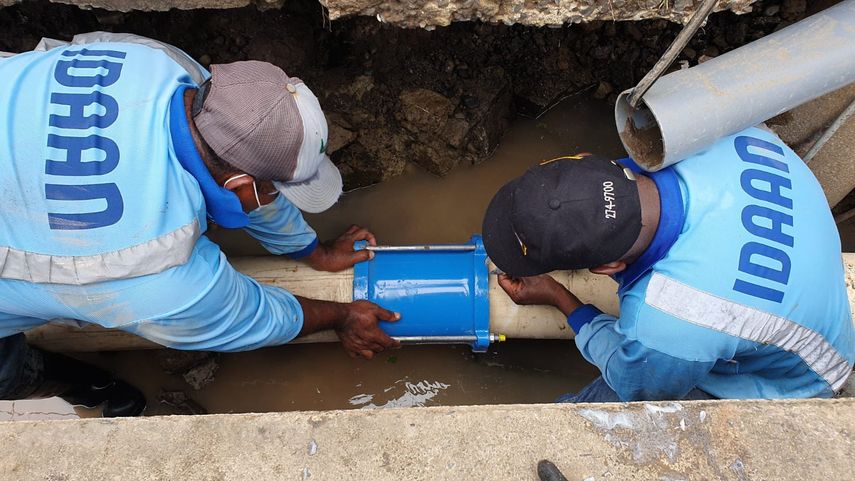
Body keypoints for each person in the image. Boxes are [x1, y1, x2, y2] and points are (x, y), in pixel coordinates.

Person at [0, 32, 400, 416]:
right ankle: (95, 389)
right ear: (239, 185)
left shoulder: (160, 64)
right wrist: (342, 317)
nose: (274, 196)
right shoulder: (152, 269)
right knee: (7, 371)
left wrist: (313, 251)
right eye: (277, 189)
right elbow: (256, 318)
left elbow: (249, 181)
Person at [482, 130, 855, 402]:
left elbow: (637, 384)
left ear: (610, 265)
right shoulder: (714, 133)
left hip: (800, 379)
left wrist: (560, 297)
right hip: (813, 289)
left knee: (582, 421)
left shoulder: (673, 315)